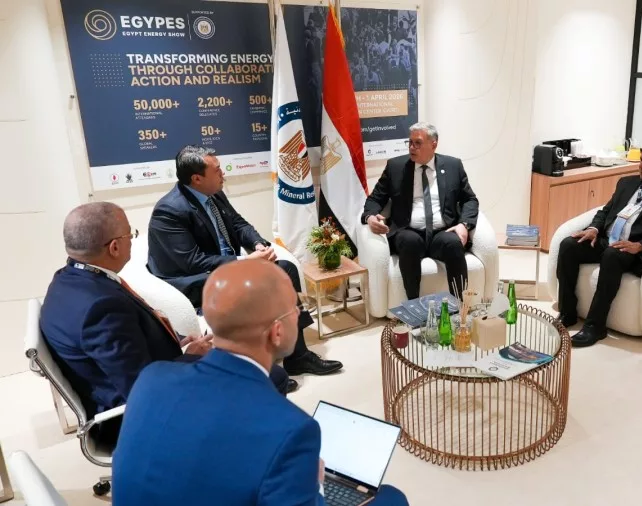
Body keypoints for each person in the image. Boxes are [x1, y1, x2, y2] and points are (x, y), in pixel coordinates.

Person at [112, 260, 408, 506]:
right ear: (277, 332)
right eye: (296, 308)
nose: (300, 314)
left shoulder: (152, 378)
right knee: (391, 499)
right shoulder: (292, 430)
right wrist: (316, 485)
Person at [39, 203, 297, 446]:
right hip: (137, 419)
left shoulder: (68, 280)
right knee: (271, 377)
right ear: (114, 247)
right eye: (131, 234)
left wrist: (180, 344)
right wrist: (189, 358)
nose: (133, 240)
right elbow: (142, 388)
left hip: (137, 387)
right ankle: (247, 459)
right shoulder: (101, 307)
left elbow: (126, 351)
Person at [147, 145, 341, 377]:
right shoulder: (169, 211)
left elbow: (239, 225)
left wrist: (258, 245)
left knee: (285, 269)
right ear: (197, 178)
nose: (223, 174)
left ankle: (297, 356)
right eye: (217, 170)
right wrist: (245, 262)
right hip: (192, 279)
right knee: (258, 286)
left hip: (220, 267)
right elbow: (192, 261)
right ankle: (261, 366)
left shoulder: (214, 194)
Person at [556, 140, 642, 347]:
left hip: (633, 249)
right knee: (568, 245)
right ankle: (567, 313)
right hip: (607, 240)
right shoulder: (627, 183)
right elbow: (605, 211)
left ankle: (595, 326)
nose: (641, 166)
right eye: (641, 160)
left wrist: (641, 245)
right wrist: (593, 229)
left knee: (612, 255)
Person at [361, 122, 479, 299]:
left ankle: (459, 304)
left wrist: (464, 224)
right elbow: (375, 198)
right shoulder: (395, 167)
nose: (411, 147)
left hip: (442, 231)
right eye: (410, 142)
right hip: (408, 230)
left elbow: (470, 199)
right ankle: (414, 305)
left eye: (417, 143)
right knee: (409, 242)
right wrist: (370, 217)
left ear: (433, 144)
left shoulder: (453, 166)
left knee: (453, 243)